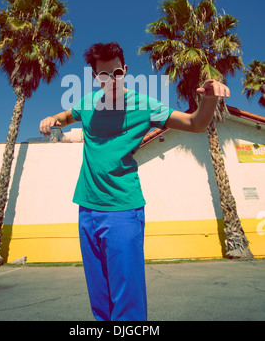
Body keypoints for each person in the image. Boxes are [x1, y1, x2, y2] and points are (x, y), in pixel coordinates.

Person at [39, 41, 230, 321]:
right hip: (87, 209)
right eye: (104, 76)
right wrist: (52, 118)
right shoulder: (86, 103)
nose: (112, 80)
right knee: (101, 299)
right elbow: (66, 116)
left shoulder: (145, 105)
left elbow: (194, 124)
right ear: (95, 78)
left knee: (126, 300)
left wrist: (210, 100)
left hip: (123, 210)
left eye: (116, 73)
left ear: (125, 70)